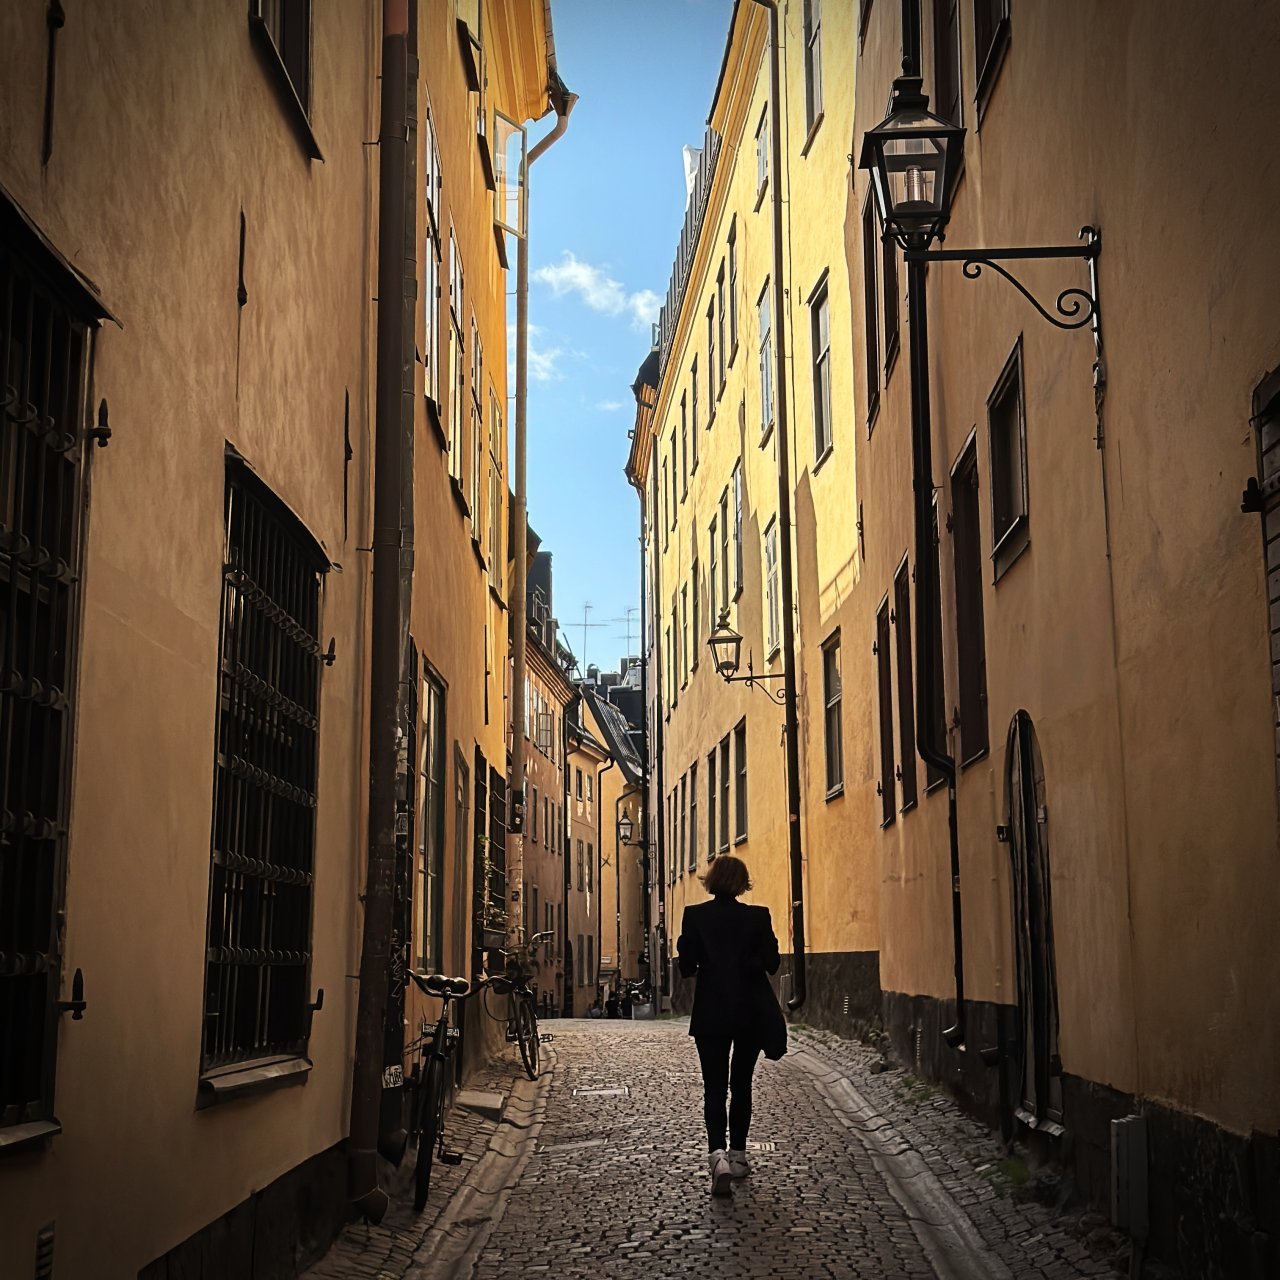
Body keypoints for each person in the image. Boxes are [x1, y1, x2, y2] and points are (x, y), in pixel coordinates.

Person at [677, 854, 780, 1196]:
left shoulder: (695, 916)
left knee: (714, 1087)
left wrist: (688, 945)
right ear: (742, 882)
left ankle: (716, 1156)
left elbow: (687, 968)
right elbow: (772, 963)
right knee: (742, 1084)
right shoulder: (757, 916)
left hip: (711, 1013)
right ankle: (738, 1155)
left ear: (711, 880)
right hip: (748, 1011)